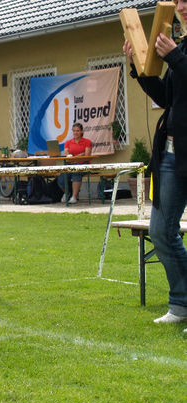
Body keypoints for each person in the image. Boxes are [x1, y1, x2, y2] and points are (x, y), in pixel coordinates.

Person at [124, 0, 187, 333]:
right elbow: (167, 98)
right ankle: (181, 302)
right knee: (162, 230)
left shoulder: (179, 51)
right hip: (173, 153)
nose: (183, 6)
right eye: (180, 1)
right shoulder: (182, 45)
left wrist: (174, 57)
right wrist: (138, 65)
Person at [57, 122, 92, 204]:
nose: (76, 133)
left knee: (76, 172)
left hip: (83, 165)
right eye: (74, 131)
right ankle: (67, 193)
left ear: (82, 132)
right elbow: (66, 155)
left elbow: (86, 156)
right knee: (61, 179)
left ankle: (74, 196)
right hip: (70, 165)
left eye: (78, 131)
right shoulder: (68, 142)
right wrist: (79, 155)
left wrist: (75, 157)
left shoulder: (87, 142)